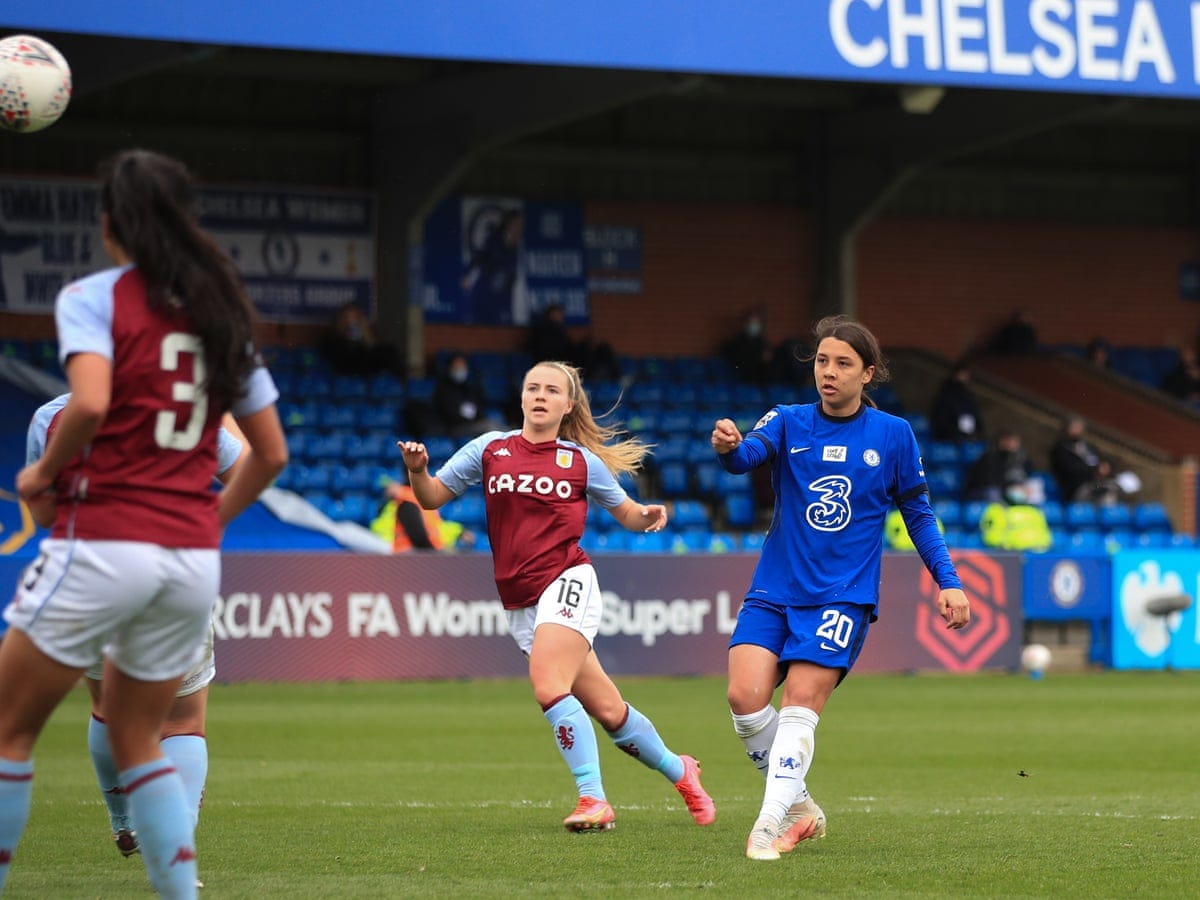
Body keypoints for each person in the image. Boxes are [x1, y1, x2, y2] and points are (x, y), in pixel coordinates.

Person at [0, 148, 288, 899]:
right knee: (147, 735)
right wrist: (205, 520)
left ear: (110, 225)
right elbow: (271, 453)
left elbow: (89, 404)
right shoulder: (220, 312)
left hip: (104, 542)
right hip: (188, 562)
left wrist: (39, 472)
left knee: (9, 732)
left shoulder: (96, 297)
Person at [398, 360, 715, 832]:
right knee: (609, 711)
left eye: (551, 390)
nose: (540, 395)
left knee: (548, 684)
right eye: (532, 388)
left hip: (568, 580)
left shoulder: (580, 461)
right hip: (520, 599)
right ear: (522, 398)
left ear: (568, 405)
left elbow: (625, 512)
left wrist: (646, 515)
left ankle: (593, 799)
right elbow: (430, 498)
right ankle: (680, 770)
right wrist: (416, 470)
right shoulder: (490, 448)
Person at [711, 314, 970, 861]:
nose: (829, 372)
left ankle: (767, 823)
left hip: (842, 594)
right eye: (822, 361)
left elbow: (918, 516)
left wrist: (949, 582)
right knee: (744, 700)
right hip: (775, 589)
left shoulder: (893, 435)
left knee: (801, 701)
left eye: (843, 364)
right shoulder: (787, 419)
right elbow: (745, 459)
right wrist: (729, 447)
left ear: (868, 373)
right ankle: (801, 806)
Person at [24, 394, 246, 864]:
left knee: (106, 706)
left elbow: (44, 514)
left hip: (92, 575)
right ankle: (175, 853)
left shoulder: (52, 416)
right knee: (183, 720)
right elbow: (247, 471)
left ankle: (122, 818)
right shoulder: (183, 403)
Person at [368, 473, 474, 552]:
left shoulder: (411, 500)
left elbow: (437, 527)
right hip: (393, 547)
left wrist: (460, 531)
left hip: (405, 550)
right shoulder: (394, 504)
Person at [432, 352, 508, 439]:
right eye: (457, 367)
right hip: (455, 427)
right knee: (490, 428)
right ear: (450, 368)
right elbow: (447, 413)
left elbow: (479, 406)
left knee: (500, 426)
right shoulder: (443, 389)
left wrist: (474, 413)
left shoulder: (468, 387)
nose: (460, 370)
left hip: (473, 423)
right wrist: (466, 414)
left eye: (462, 367)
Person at [319, 300, 402, 378]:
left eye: (355, 317)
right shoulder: (331, 339)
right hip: (345, 371)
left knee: (388, 350)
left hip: (367, 372)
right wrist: (348, 339)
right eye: (346, 317)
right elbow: (338, 360)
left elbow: (373, 352)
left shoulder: (364, 334)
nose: (350, 321)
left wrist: (367, 339)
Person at [961, 430, 1039, 505]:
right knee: (994, 493)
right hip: (983, 490)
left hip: (1011, 488)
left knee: (1033, 491)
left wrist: (1022, 487)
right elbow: (990, 481)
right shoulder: (989, 458)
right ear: (1001, 442)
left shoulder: (1021, 458)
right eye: (1010, 441)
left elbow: (1028, 474)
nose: (1013, 444)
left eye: (1015, 441)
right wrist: (1010, 488)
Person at [929, 362, 984, 443]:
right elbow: (941, 418)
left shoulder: (968, 395)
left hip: (968, 436)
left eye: (966, 374)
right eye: (962, 374)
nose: (965, 377)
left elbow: (974, 414)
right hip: (950, 436)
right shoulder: (946, 393)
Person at [721, 310, 772, 384]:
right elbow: (737, 364)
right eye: (752, 322)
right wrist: (758, 357)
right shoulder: (736, 343)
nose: (754, 325)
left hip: (763, 382)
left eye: (756, 323)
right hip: (743, 380)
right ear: (744, 324)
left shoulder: (763, 343)